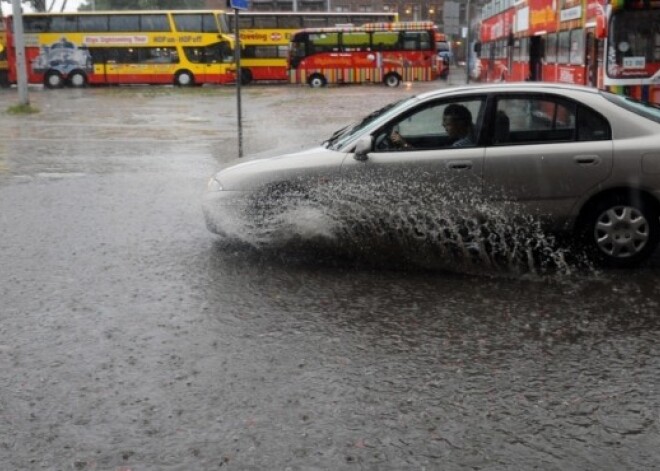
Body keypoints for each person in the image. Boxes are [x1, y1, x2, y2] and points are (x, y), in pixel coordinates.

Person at [390, 103, 475, 150]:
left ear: (460, 124)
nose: (443, 125)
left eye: (448, 124)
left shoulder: (461, 146)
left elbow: (427, 162)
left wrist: (404, 144)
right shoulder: (471, 134)